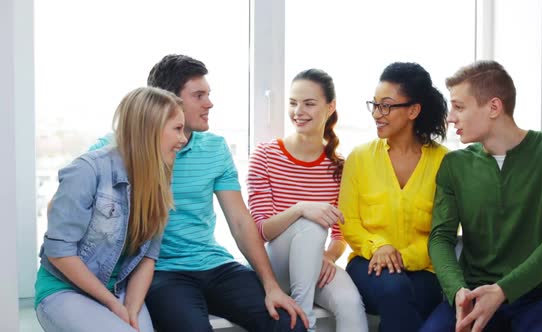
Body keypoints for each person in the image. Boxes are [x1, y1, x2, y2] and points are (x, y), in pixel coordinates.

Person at [90, 54, 307, 332]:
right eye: (199, 95)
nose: (209, 103)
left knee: (290, 323)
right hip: (160, 272)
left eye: (208, 94)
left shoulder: (215, 148)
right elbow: (77, 202)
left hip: (215, 264)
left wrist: (271, 286)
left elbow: (240, 222)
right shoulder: (119, 146)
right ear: (169, 102)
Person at [422, 60, 542, 332]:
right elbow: (440, 237)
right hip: (472, 294)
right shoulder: (454, 165)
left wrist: (503, 290)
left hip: (541, 295)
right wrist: (457, 290)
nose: (450, 117)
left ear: (494, 107)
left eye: (459, 107)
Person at [34, 87, 187, 332]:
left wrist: (133, 309)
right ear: (150, 129)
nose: (184, 138)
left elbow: (148, 257)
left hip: (119, 289)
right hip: (65, 289)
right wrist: (111, 304)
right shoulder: (87, 170)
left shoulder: (159, 181)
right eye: (177, 129)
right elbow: (59, 252)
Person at [247, 68, 368, 332]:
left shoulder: (339, 167)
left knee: (350, 302)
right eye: (293, 103)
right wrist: (301, 209)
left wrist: (327, 255)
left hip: (312, 263)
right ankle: (306, 325)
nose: (298, 111)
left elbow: (340, 233)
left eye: (309, 103)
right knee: (311, 223)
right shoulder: (265, 156)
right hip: (272, 268)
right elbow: (261, 230)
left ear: (330, 106)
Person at [339, 62, 448, 332]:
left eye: (386, 105)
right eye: (374, 105)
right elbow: (348, 223)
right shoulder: (360, 158)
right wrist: (379, 247)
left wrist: (400, 256)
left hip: (425, 271)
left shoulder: (445, 162)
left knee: (405, 295)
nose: (377, 113)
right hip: (368, 266)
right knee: (395, 288)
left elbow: (444, 230)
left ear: (413, 110)